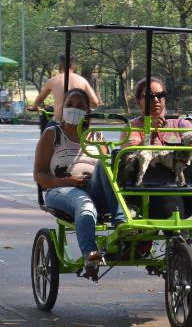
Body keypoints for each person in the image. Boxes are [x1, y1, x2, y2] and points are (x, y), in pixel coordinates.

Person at [33, 88, 126, 273]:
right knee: (85, 206)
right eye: (70, 105)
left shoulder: (97, 136)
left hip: (93, 189)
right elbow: (39, 175)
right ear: (62, 108)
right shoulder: (52, 134)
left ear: (87, 112)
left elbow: (107, 172)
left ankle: (122, 224)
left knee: (105, 163)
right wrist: (69, 181)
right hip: (60, 190)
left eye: (80, 106)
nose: (74, 109)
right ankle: (90, 254)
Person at [120, 77, 192, 219]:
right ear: (139, 100)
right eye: (150, 96)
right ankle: (179, 236)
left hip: (182, 182)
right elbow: (131, 154)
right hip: (152, 187)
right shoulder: (132, 127)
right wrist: (150, 131)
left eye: (160, 95)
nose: (156, 100)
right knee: (163, 179)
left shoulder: (179, 122)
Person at [29, 55, 101, 130]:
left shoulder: (54, 80)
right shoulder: (82, 80)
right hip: (79, 123)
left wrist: (35, 107)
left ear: (60, 66)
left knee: (47, 133)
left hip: (59, 122)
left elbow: (40, 98)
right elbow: (95, 102)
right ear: (74, 66)